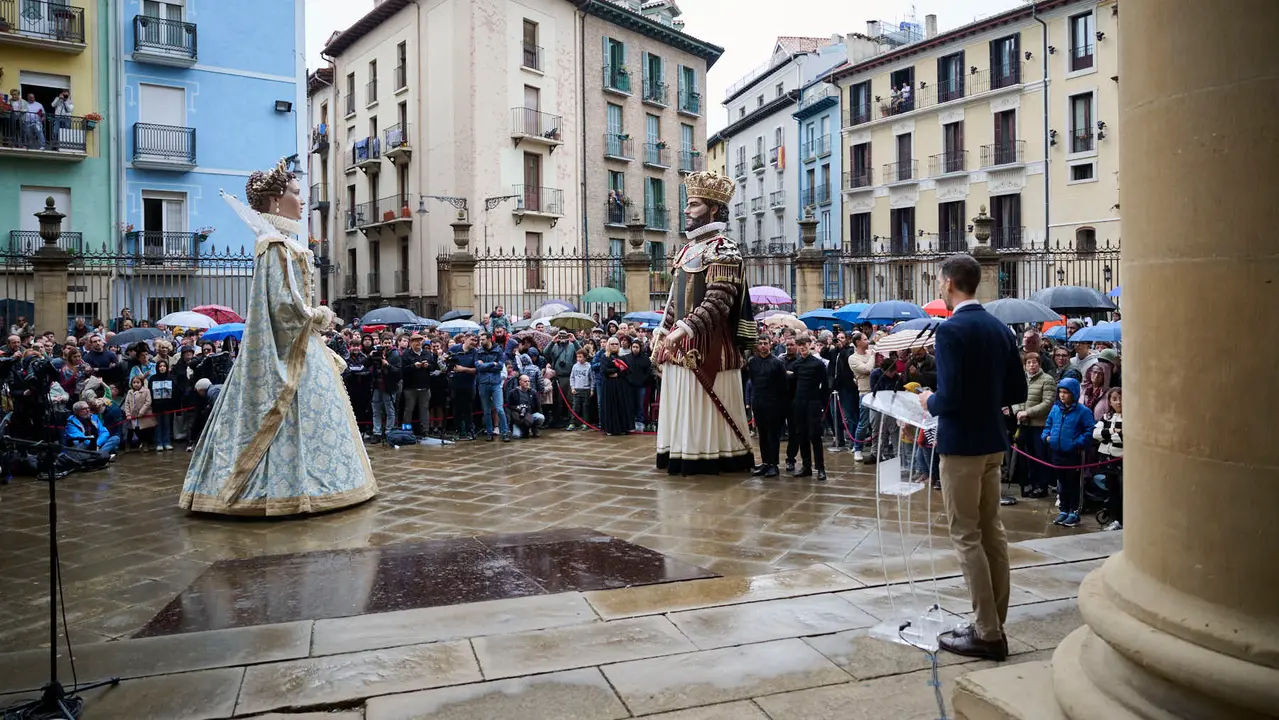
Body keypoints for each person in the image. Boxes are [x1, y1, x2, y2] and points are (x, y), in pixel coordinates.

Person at [180, 158, 376, 515]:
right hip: (295, 347)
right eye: (296, 193)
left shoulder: (280, 243)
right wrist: (320, 315)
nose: (302, 201)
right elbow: (285, 307)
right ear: (274, 201)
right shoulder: (275, 246)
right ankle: (282, 491)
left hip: (303, 346)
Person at [917, 254, 1026, 662]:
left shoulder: (950, 330)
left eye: (938, 282)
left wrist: (929, 399)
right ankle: (992, 622)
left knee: (966, 535)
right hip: (993, 442)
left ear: (947, 282)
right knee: (991, 531)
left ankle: (987, 633)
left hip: (962, 444)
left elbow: (951, 398)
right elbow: (1015, 389)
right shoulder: (1000, 328)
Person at [651, 171, 755, 474]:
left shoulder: (724, 248)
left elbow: (717, 302)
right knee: (681, 402)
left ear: (712, 208)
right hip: (680, 341)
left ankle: (712, 454)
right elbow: (674, 300)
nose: (686, 210)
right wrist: (662, 330)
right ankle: (681, 451)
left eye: (693, 205)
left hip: (708, 342)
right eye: (687, 204)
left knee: (703, 403)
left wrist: (680, 332)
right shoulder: (687, 249)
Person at [1042, 377, 1095, 528]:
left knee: (1074, 483)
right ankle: (1064, 509)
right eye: (1060, 392)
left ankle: (1074, 511)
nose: (1062, 395)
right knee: (1062, 483)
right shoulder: (1055, 409)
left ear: (1074, 393)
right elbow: (1048, 424)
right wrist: (1046, 437)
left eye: (1066, 392)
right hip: (1057, 452)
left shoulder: (1083, 412)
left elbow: (1090, 430)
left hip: (1074, 454)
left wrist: (1077, 443)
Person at [1008, 352, 1056, 498]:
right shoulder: (1021, 379)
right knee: (1025, 457)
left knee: (1039, 456)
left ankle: (1041, 486)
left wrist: (1028, 413)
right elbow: (1015, 397)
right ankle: (1027, 484)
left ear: (1039, 364)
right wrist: (1017, 411)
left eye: (1034, 362)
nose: (1031, 365)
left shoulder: (1047, 380)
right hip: (1023, 424)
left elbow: (1048, 403)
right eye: (1028, 362)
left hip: (1038, 425)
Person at [789, 336, 829, 481]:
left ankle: (820, 468)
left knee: (815, 435)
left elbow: (824, 385)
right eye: (799, 345)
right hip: (799, 402)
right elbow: (794, 383)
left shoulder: (818, 364)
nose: (801, 347)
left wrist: (822, 405)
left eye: (803, 344)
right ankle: (806, 466)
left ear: (809, 345)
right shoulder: (797, 364)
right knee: (802, 434)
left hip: (813, 402)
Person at [746, 336, 786, 478]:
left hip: (773, 403)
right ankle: (765, 463)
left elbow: (782, 386)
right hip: (759, 402)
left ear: (770, 345)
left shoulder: (777, 363)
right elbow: (752, 381)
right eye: (760, 343)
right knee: (762, 435)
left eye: (765, 343)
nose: (763, 346)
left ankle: (773, 464)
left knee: (772, 435)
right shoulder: (753, 362)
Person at [1093, 387, 1124, 530]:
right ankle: (1115, 519)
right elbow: (1096, 434)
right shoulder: (1107, 417)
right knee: (1112, 490)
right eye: (1114, 399)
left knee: (1123, 490)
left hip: (1121, 459)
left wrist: (1110, 435)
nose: (1118, 402)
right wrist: (1112, 431)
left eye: (1121, 398)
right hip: (1107, 458)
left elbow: (1123, 438)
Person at [475, 333, 510, 442]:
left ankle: (504, 432)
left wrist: (485, 365)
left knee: (499, 409)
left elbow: (500, 366)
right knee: (486, 411)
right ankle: (489, 432)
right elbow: (478, 367)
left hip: (495, 383)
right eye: (480, 339)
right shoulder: (479, 351)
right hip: (483, 383)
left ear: (489, 339)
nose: (481, 341)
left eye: (483, 339)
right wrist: (492, 364)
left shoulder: (498, 351)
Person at [399, 334, 433, 437]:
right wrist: (413, 366)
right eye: (415, 341)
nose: (418, 343)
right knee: (408, 409)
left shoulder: (427, 353)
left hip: (424, 386)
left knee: (424, 409)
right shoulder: (406, 354)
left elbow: (433, 366)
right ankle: (406, 429)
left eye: (419, 341)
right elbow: (402, 370)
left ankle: (425, 430)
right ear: (411, 342)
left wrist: (428, 366)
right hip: (410, 387)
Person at [598, 337, 634, 435]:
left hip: (621, 385)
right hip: (609, 386)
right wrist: (617, 370)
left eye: (616, 344)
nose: (614, 346)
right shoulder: (604, 357)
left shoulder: (623, 357)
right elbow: (604, 370)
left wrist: (617, 373)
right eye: (612, 344)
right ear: (608, 345)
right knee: (610, 406)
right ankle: (610, 428)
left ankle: (622, 428)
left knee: (621, 406)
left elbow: (627, 370)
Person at [449, 334, 479, 440]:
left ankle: (470, 430)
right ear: (465, 339)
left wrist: (463, 369)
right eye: (472, 339)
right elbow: (447, 362)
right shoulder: (454, 349)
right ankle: (457, 430)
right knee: (456, 409)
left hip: (469, 384)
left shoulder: (476, 352)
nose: (474, 342)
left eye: (476, 340)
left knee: (468, 409)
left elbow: (476, 370)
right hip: (456, 384)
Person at [121, 375, 155, 451]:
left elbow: (148, 402)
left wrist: (141, 412)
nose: (136, 384)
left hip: (143, 415)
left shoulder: (146, 391)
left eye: (138, 382)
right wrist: (128, 414)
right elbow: (127, 404)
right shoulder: (130, 392)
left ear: (141, 383)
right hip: (132, 415)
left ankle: (145, 444)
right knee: (130, 430)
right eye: (134, 382)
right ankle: (128, 445)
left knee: (144, 431)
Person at [505, 374, 544, 438]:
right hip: (518, 416)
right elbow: (508, 405)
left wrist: (538, 412)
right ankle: (523, 429)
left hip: (530, 415)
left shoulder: (533, 392)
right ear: (520, 382)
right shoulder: (513, 392)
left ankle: (534, 429)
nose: (527, 383)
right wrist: (517, 408)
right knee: (516, 436)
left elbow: (538, 405)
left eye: (528, 381)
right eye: (525, 381)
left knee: (540, 417)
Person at [149, 359, 176, 451]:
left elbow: (175, 391)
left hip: (168, 406)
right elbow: (150, 392)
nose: (162, 368)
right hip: (156, 406)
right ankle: (159, 443)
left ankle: (167, 442)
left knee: (167, 424)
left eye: (164, 366)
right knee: (158, 425)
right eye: (160, 366)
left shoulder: (171, 378)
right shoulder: (153, 378)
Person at [567, 349, 593, 430]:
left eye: (580, 357)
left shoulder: (589, 366)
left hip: (586, 389)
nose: (579, 359)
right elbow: (572, 377)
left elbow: (592, 379)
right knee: (575, 407)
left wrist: (592, 389)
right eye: (577, 357)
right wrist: (572, 387)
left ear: (585, 357)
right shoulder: (575, 366)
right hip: (576, 389)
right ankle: (572, 423)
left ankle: (585, 423)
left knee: (585, 407)